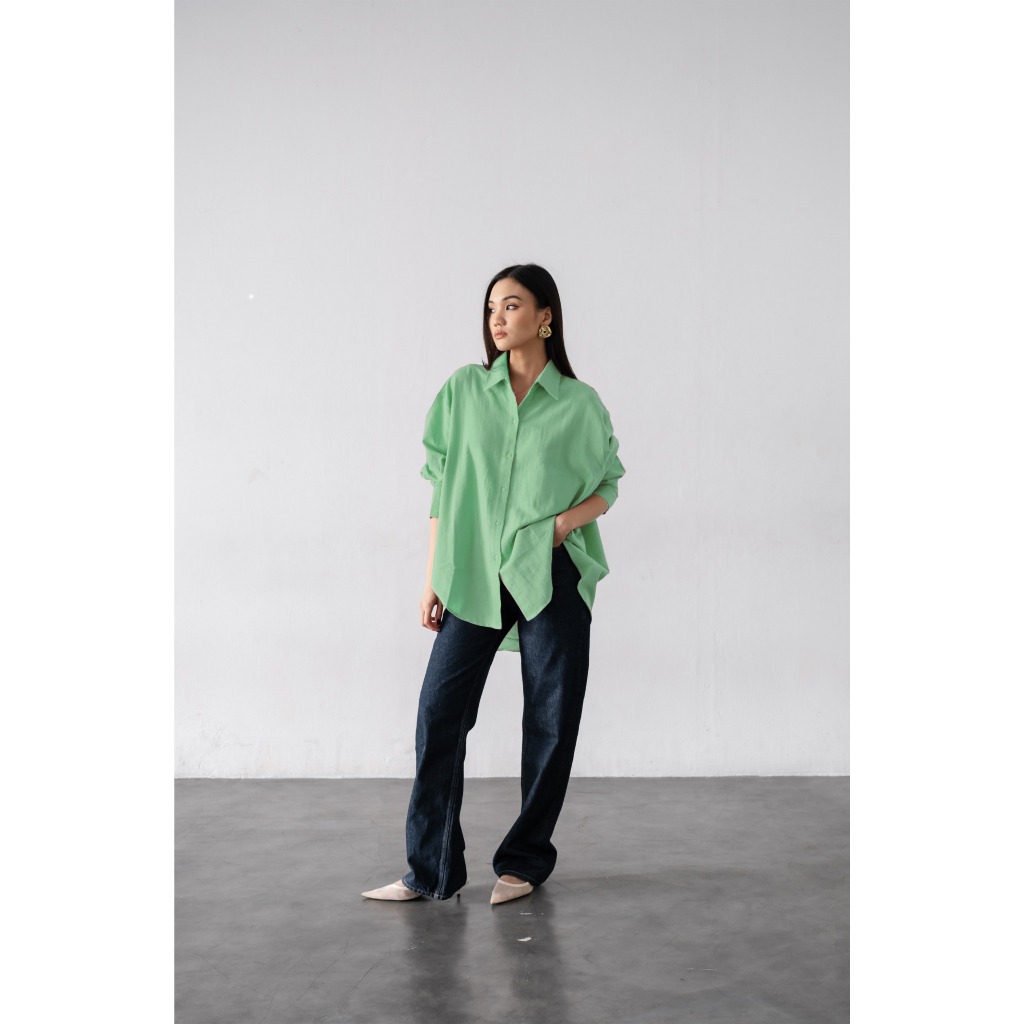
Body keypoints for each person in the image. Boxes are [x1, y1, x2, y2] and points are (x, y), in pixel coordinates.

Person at [361, 263, 625, 906]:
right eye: (490, 309)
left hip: (550, 570)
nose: (497, 319)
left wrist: (560, 526)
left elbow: (607, 483)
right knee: (439, 713)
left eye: (511, 305)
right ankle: (431, 870)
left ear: (545, 316)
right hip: (474, 570)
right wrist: (433, 579)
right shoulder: (463, 391)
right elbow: (441, 489)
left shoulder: (579, 404)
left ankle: (525, 862)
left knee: (551, 717)